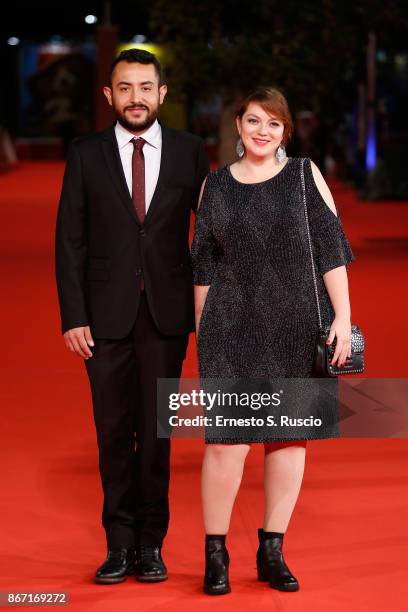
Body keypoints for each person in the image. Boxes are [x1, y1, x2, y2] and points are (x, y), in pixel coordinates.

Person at [191, 87, 355, 595]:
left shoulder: (305, 177)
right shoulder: (214, 186)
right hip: (230, 325)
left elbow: (331, 249)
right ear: (238, 125)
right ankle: (215, 554)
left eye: (274, 124)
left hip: (298, 322)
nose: (263, 131)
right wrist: (204, 334)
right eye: (254, 120)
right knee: (226, 447)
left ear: (286, 132)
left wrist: (344, 318)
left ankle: (272, 549)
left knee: (287, 440)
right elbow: (203, 264)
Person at [55, 49, 209, 584]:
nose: (136, 98)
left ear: (162, 93)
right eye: (125, 88)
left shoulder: (191, 152)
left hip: (167, 315)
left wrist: (210, 304)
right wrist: (73, 314)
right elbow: (69, 240)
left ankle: (151, 545)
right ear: (109, 94)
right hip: (102, 317)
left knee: (156, 433)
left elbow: (210, 237)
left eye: (146, 87)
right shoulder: (85, 153)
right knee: (113, 431)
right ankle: (118, 544)